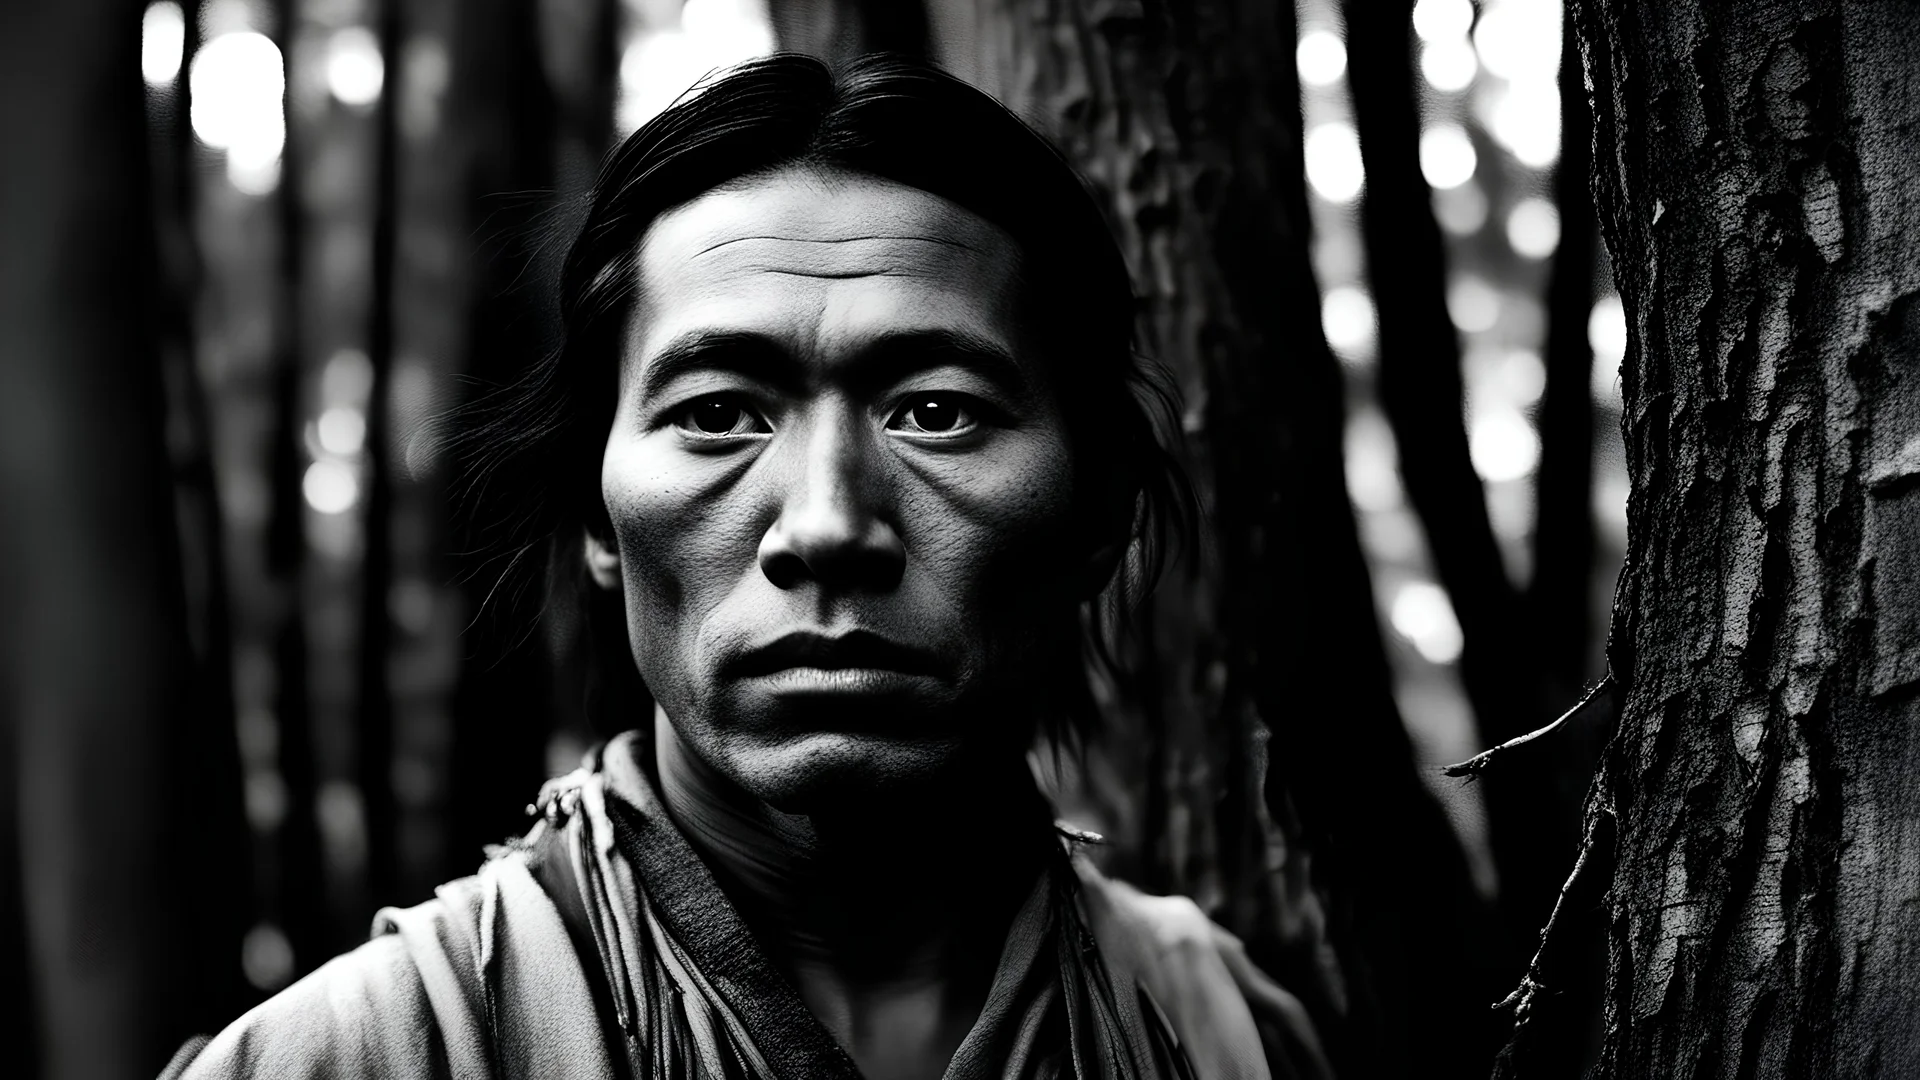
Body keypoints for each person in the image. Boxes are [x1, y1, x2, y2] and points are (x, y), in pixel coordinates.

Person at [166, 53, 1331, 1080]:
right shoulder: (348, 1057)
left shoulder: (1225, 1032)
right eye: (719, 411)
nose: (824, 525)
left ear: (1099, 516)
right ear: (595, 512)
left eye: (936, 411)